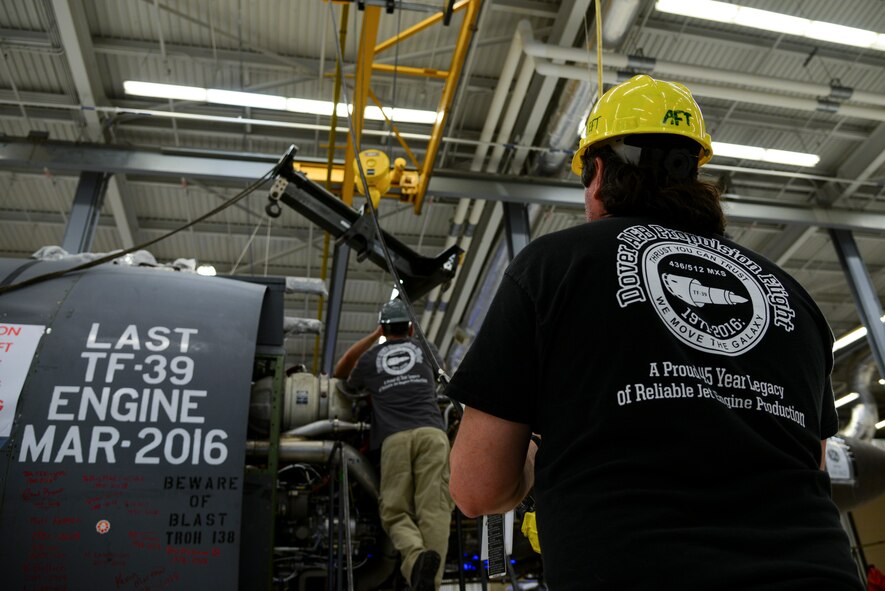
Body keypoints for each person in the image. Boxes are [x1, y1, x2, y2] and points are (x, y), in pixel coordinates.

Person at [446, 75, 863, 590]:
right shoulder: (792, 296)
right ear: (693, 173)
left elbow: (477, 488)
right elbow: (812, 461)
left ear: (596, 173)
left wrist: (533, 460)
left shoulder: (551, 267)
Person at [334, 299, 453, 591]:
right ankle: (430, 584)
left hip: (395, 439)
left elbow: (340, 374)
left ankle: (415, 559)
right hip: (432, 434)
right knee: (435, 509)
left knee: (394, 511)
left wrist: (375, 337)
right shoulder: (426, 349)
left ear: (384, 328)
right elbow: (444, 374)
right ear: (411, 327)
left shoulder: (372, 358)